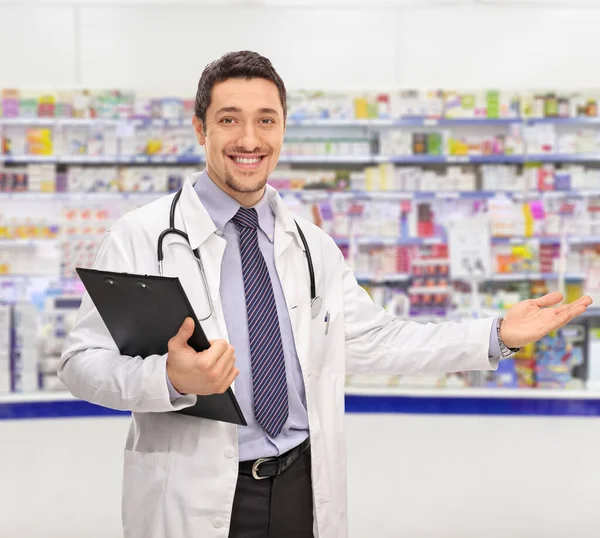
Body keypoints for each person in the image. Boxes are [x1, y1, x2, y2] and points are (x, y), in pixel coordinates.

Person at [58, 50, 592, 538]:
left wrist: (495, 335)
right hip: (192, 494)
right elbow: (81, 363)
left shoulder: (312, 246)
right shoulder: (140, 237)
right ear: (200, 128)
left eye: (266, 120)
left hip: (301, 486)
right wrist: (169, 378)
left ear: (283, 129)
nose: (249, 139)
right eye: (229, 119)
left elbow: (379, 341)